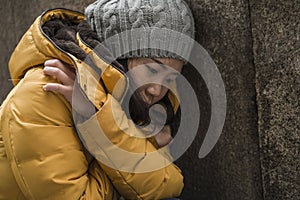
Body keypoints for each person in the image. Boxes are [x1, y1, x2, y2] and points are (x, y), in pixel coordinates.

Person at [0, 0, 195, 199]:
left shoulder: (138, 102)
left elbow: (167, 184)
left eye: (170, 78)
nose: (157, 90)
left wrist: (101, 114)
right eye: (152, 70)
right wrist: (103, 121)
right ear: (118, 55)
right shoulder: (43, 93)